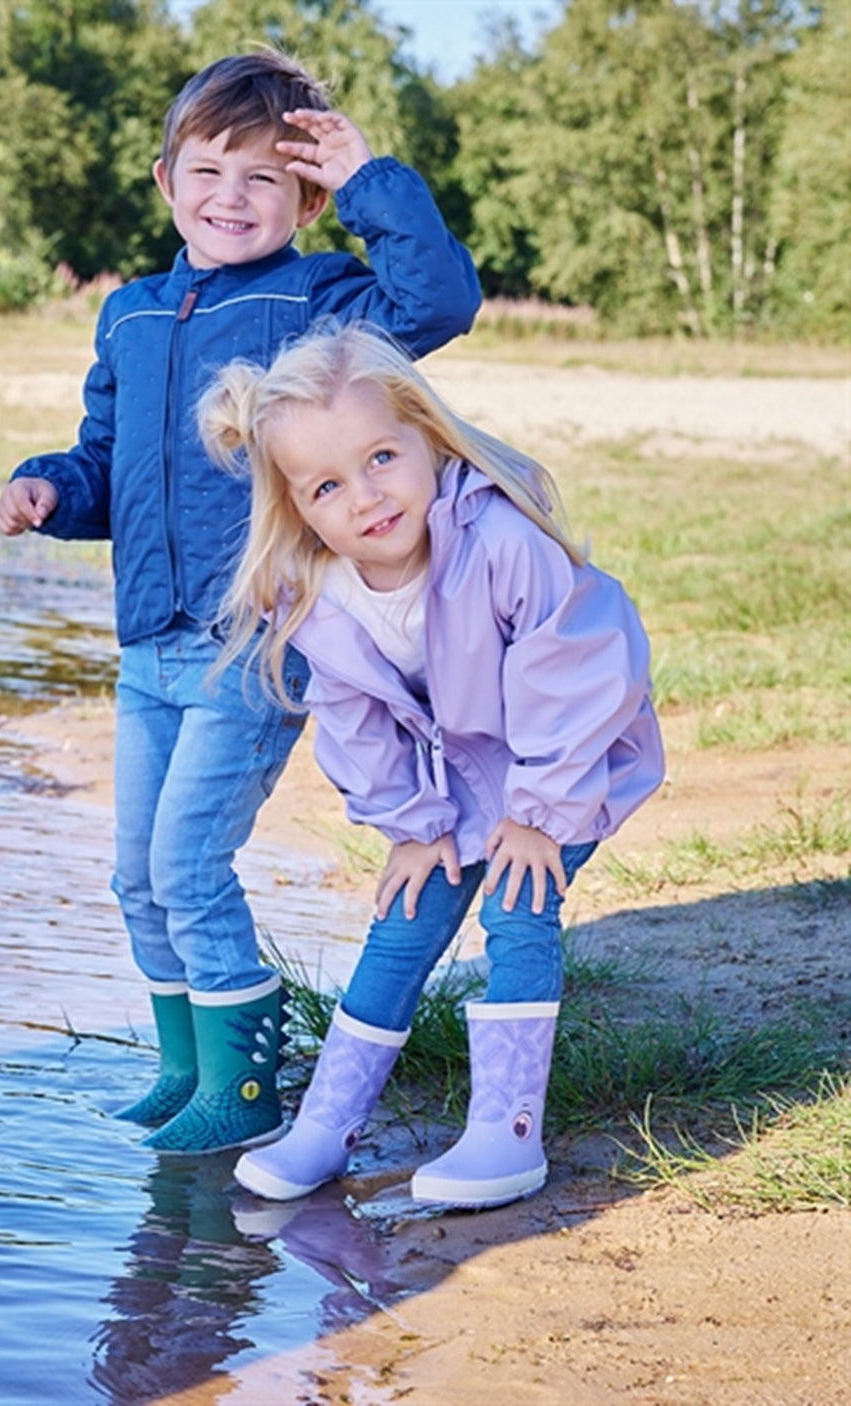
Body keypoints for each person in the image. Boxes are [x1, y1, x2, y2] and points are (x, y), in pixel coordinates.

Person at [0, 49, 481, 1156]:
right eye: (206, 171)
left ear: (305, 196)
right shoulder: (129, 313)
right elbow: (107, 463)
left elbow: (438, 299)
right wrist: (50, 488)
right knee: (135, 874)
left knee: (186, 864)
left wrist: (369, 180)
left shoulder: (317, 303)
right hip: (147, 645)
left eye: (263, 178)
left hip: (254, 644)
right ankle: (184, 1066)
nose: (229, 196)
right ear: (164, 181)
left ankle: (246, 1090)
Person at [196, 320, 663, 1207]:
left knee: (520, 907)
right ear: (297, 506)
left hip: (562, 761)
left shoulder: (499, 543)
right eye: (329, 485)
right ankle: (327, 1125)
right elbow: (355, 720)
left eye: (382, 458)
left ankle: (505, 1133)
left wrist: (537, 814)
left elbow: (574, 675)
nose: (366, 497)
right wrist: (412, 828)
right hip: (452, 779)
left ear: (427, 439)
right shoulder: (322, 595)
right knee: (404, 921)